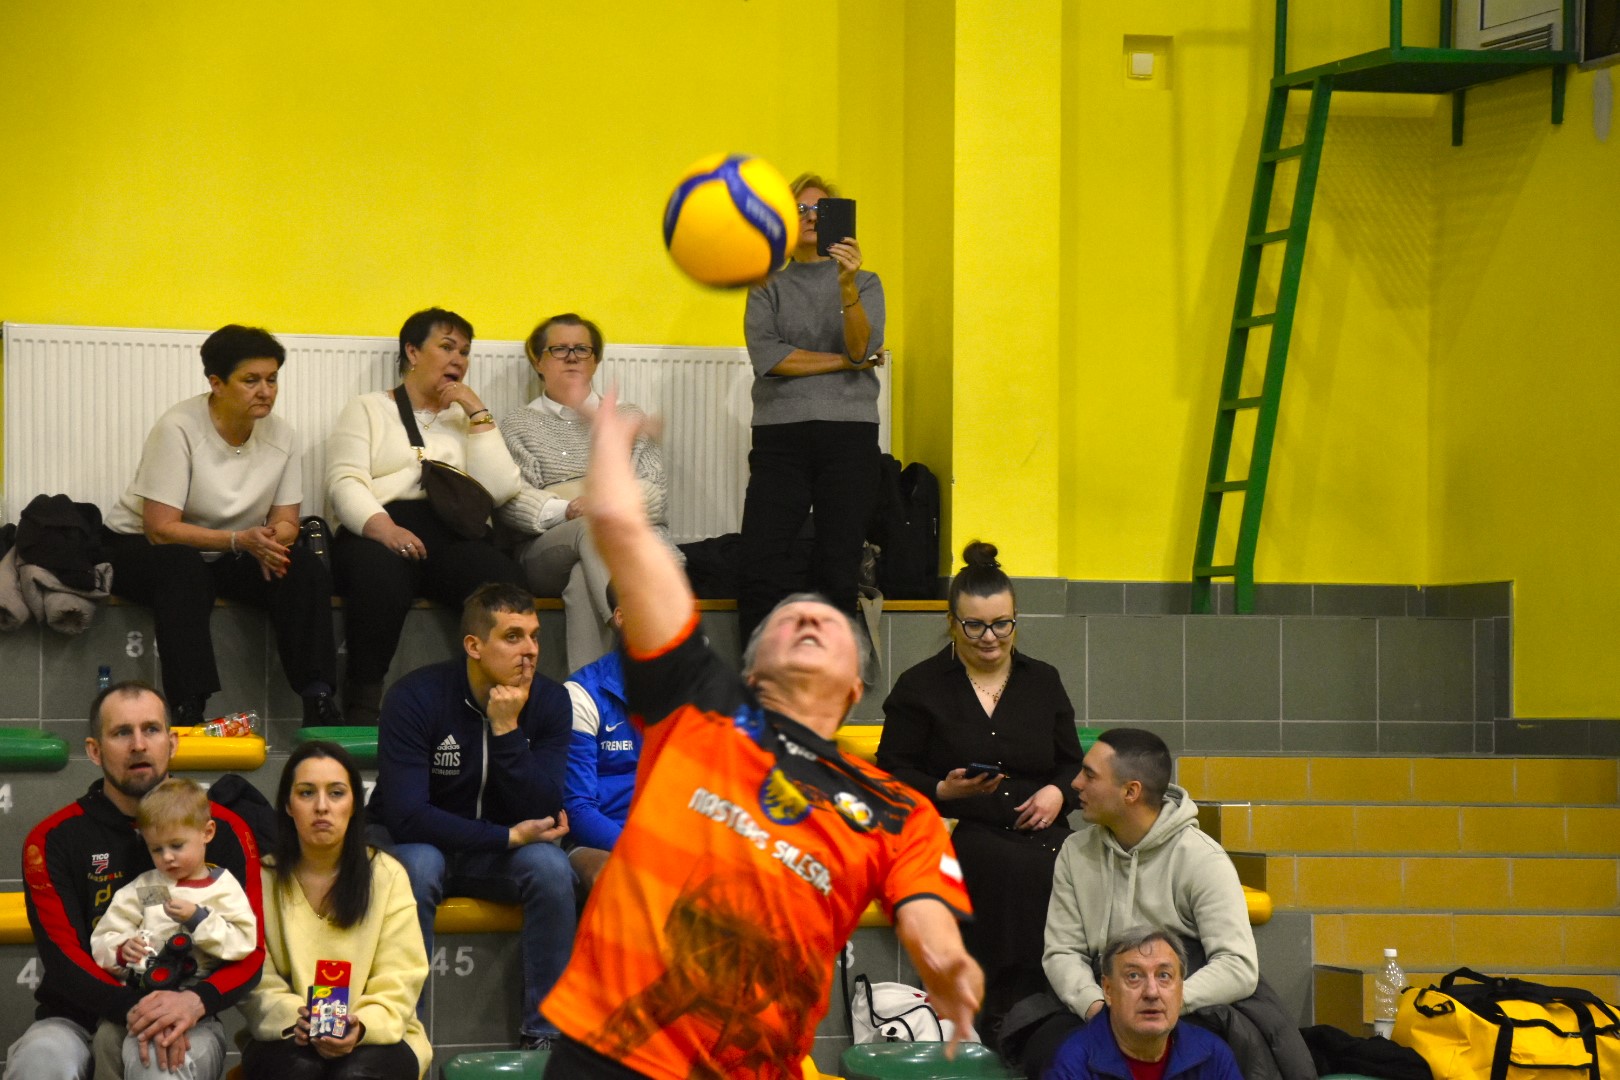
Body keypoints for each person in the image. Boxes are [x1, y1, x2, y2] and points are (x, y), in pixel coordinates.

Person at [538, 390, 982, 1079]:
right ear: (752, 667)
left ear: (854, 687)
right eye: (788, 616)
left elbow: (924, 904)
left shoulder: (897, 808)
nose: (807, 614)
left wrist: (944, 958)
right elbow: (627, 543)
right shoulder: (700, 708)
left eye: (828, 619)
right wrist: (611, 460)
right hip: (612, 1051)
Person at [877, 539, 1083, 1045]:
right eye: (975, 626)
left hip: (1042, 825)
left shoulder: (1043, 680)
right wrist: (942, 790)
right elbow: (891, 772)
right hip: (962, 824)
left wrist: (1058, 794)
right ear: (952, 623)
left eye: (1001, 624)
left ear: (1015, 621)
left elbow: (1073, 765)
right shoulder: (921, 685)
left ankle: (1057, 1005)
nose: (989, 638)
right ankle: (1002, 1010)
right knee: (1000, 864)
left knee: (1067, 860)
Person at [9, 681, 264, 1080]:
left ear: (172, 743)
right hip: (74, 1018)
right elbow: (63, 960)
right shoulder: (52, 839)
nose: (139, 745)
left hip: (186, 1013)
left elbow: (251, 951)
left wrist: (194, 1002)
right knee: (39, 1060)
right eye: (122, 732)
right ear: (95, 750)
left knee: (158, 1064)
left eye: (151, 729)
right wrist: (136, 1010)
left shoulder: (224, 830)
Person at [368, 582, 574, 1051]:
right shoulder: (415, 697)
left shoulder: (549, 701)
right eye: (513, 637)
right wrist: (505, 838)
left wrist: (507, 729)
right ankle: (405, 1034)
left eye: (535, 636)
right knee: (419, 865)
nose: (530, 651)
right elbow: (407, 817)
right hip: (420, 844)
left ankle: (545, 1034)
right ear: (474, 646)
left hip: (494, 855)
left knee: (551, 869)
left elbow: (545, 807)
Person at [102, 323, 340, 728]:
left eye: (272, 379)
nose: (265, 391)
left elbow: (287, 521)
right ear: (216, 383)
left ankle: (318, 700)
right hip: (143, 547)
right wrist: (240, 541)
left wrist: (270, 542)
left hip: (232, 548)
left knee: (301, 568)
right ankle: (188, 707)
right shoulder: (178, 427)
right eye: (251, 380)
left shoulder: (283, 435)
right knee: (183, 568)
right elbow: (161, 529)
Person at [326, 306, 526, 724]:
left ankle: (501, 696)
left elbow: (501, 489)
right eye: (447, 347)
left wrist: (477, 412)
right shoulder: (367, 408)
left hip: (451, 533)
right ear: (413, 352)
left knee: (501, 579)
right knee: (378, 576)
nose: (458, 359)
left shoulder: (466, 418)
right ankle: (363, 702)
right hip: (380, 525)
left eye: (465, 352)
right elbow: (344, 482)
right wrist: (385, 529)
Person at [1027, 728, 1257, 1077]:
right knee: (1044, 1048)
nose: (1075, 783)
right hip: (1101, 998)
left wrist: (1164, 999)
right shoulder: (1075, 852)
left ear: (1130, 791)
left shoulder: (1202, 858)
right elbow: (1062, 951)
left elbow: (1238, 966)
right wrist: (1098, 1005)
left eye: (1089, 775)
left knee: (1205, 1050)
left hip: (1180, 1003)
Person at [738, 172, 886, 645]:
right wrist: (847, 363)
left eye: (822, 209)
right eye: (799, 209)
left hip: (850, 433)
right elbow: (771, 358)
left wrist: (846, 286)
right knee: (761, 559)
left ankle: (831, 674)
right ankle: (757, 674)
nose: (811, 217)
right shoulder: (767, 285)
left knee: (838, 564)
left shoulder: (865, 281)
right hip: (780, 434)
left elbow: (862, 345)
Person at [239, 741, 431, 1079]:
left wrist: (360, 1026)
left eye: (336, 793)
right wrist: (296, 1018)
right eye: (307, 793)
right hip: (288, 1032)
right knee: (299, 1070)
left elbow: (401, 977)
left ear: (354, 804)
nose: (322, 807)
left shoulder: (387, 875)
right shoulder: (260, 877)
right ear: (288, 805)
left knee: (354, 1075)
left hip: (377, 1035)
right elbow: (256, 980)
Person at [497, 312, 673, 672]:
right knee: (592, 528)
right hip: (547, 550)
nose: (572, 358)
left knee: (583, 577)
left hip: (620, 546)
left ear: (595, 360)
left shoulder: (626, 416)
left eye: (582, 349)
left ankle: (586, 695)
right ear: (538, 361)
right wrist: (568, 510)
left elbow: (654, 491)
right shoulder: (518, 423)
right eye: (559, 349)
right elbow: (511, 501)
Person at [91, 778, 258, 1071]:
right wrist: (121, 950)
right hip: (138, 999)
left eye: (177, 845)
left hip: (194, 1005)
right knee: (105, 1039)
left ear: (207, 833)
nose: (167, 857)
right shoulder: (147, 887)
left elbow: (243, 941)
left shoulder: (223, 887)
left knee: (162, 1061)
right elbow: (106, 934)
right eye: (156, 849)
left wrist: (199, 920)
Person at [1046, 928, 1243, 1080]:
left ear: (1180, 989)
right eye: (1134, 976)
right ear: (1108, 990)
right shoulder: (1072, 1063)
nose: (1151, 992)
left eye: (1164, 976)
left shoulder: (1212, 1055)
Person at [560, 581, 636, 895]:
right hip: (600, 842)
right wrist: (643, 853)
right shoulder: (582, 694)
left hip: (671, 838)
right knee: (618, 877)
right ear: (621, 617)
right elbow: (579, 809)